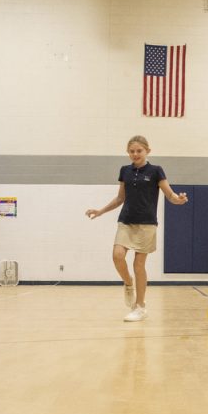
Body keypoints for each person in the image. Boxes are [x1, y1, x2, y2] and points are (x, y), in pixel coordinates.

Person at [86, 135, 188, 322]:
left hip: (147, 224)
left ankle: (140, 307)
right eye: (131, 151)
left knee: (138, 264)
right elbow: (119, 198)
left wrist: (178, 200)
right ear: (128, 153)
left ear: (147, 151)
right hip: (126, 221)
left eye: (139, 151)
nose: (135, 154)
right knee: (117, 255)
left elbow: (170, 195)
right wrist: (100, 211)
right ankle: (128, 283)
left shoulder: (156, 171)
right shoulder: (124, 171)